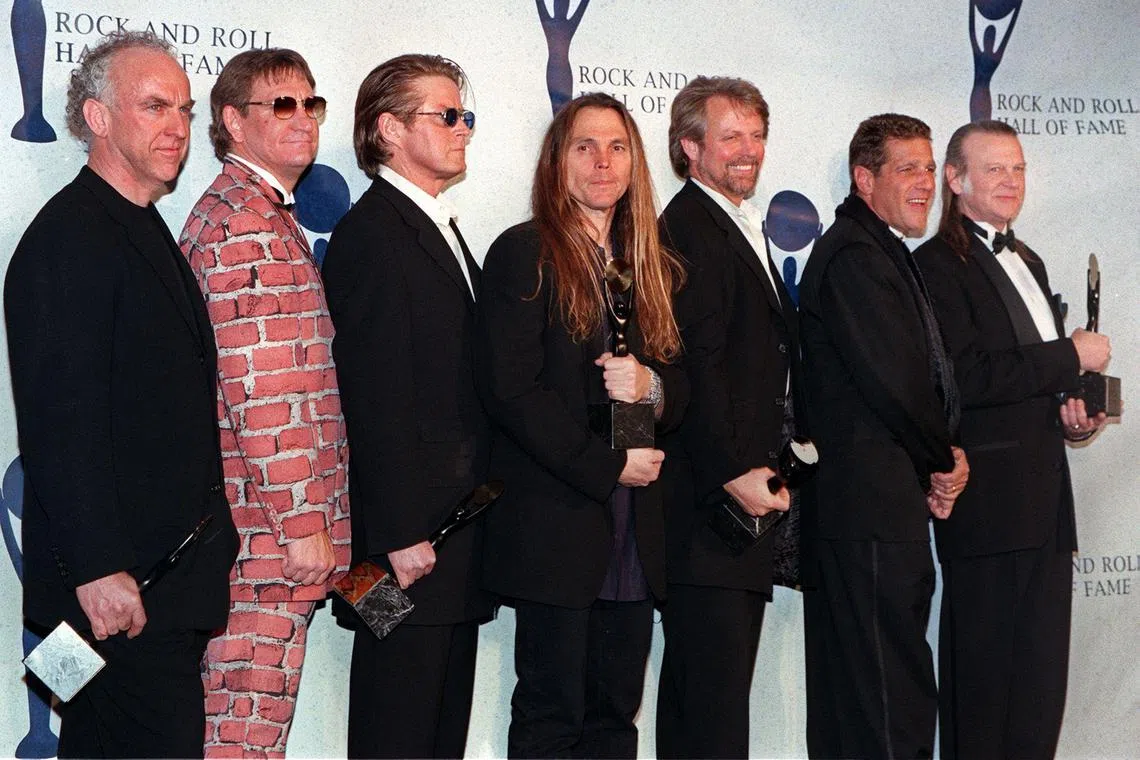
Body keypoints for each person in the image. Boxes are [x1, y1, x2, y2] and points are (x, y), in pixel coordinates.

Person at [4, 31, 238, 758]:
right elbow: (59, 425)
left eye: (184, 109)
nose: (177, 126)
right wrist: (101, 569)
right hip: (118, 592)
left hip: (157, 589)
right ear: (98, 118)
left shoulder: (138, 224)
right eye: (154, 106)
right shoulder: (70, 240)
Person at [477, 92, 687, 759]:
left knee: (615, 721)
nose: (603, 162)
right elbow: (512, 392)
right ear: (556, 161)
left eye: (618, 146)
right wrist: (607, 465)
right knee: (552, 714)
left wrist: (652, 390)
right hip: (559, 522)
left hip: (633, 529)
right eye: (584, 146)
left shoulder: (642, 262)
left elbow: (680, 383)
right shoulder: (525, 252)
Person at [914, 119, 1112, 760]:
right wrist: (1066, 357)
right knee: (982, 694)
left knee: (1038, 696)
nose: (1010, 181)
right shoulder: (933, 266)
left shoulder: (1028, 258)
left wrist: (1070, 406)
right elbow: (963, 378)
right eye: (994, 168)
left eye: (1018, 168)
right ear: (955, 178)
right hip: (987, 508)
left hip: (1049, 509)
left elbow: (1032, 379)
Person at [178, 48, 349, 758]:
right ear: (232, 122)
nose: (302, 118)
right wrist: (304, 520)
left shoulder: (259, 213)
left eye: (311, 104)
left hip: (264, 539)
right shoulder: (244, 223)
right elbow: (262, 391)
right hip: (264, 545)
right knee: (241, 737)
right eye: (282, 104)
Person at [321, 54, 490, 759]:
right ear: (389, 129)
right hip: (402, 554)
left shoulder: (434, 224)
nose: (463, 130)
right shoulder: (373, 236)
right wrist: (395, 535)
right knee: (397, 728)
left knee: (439, 731)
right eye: (445, 115)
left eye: (465, 116)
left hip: (448, 544)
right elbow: (370, 394)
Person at [797, 113, 970, 759]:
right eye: (908, 168)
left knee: (865, 699)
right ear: (864, 178)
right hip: (868, 511)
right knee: (888, 699)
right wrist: (943, 461)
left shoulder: (874, 248)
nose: (926, 182)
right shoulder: (856, 257)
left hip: (867, 509)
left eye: (929, 167)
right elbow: (896, 382)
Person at [654, 76, 797, 759]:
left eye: (757, 134)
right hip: (708, 513)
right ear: (690, 148)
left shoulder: (733, 221)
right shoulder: (687, 228)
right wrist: (733, 471)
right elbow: (691, 364)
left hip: (734, 510)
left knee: (707, 707)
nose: (749, 150)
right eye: (730, 136)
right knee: (708, 715)